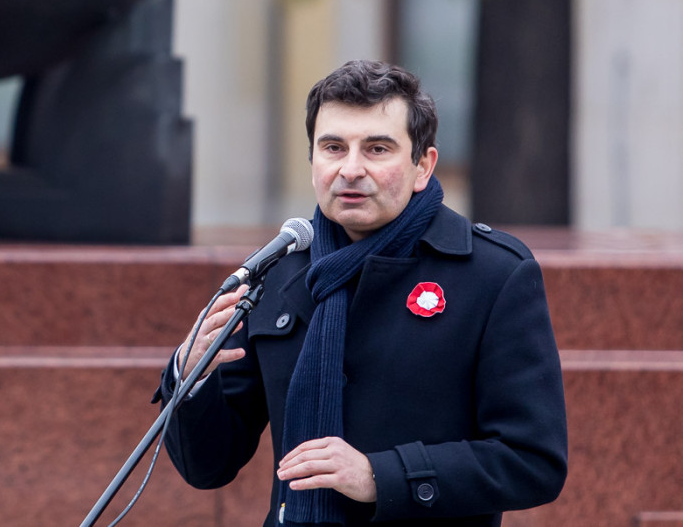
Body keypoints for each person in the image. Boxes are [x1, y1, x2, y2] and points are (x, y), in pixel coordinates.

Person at [156, 60, 567, 526]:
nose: (351, 169)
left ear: (422, 166)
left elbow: (533, 460)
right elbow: (209, 466)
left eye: (377, 149)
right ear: (313, 161)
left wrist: (381, 476)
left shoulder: (492, 274)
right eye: (333, 148)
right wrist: (191, 378)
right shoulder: (277, 270)